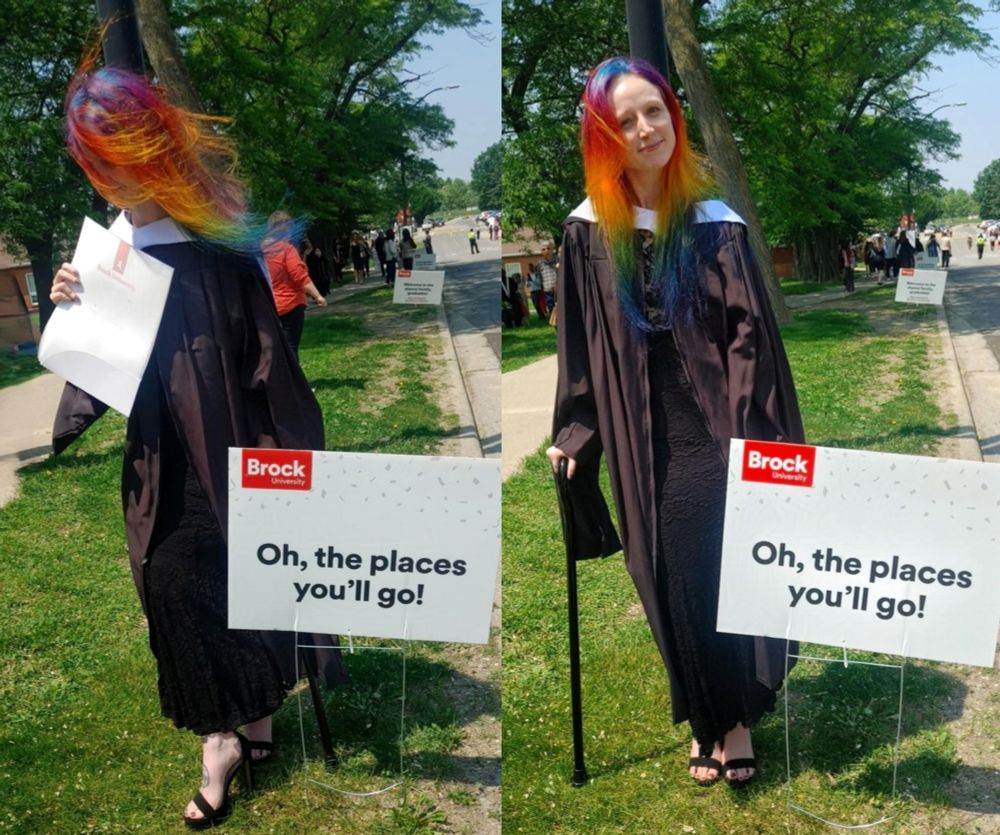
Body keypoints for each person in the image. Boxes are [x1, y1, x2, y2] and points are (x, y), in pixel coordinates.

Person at [53, 60, 345, 828]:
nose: (118, 172)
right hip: (162, 453)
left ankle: (255, 717)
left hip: (237, 442)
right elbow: (97, 377)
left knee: (248, 578)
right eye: (99, 157)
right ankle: (221, 737)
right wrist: (71, 311)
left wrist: (284, 452)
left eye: (127, 149)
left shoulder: (213, 241)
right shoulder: (106, 255)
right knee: (176, 579)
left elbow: (265, 358)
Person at [547, 56, 803, 788]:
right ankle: (709, 714)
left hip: (717, 428)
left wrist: (756, 437)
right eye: (624, 120)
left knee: (711, 565)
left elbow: (751, 337)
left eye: (653, 110)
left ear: (673, 114)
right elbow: (582, 355)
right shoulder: (588, 231)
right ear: (605, 138)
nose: (644, 128)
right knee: (668, 572)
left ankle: (730, 720)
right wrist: (575, 436)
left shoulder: (715, 224)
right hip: (640, 433)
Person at [265, 211, 328, 357]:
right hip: (290, 304)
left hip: (270, 305)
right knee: (291, 348)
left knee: (276, 349)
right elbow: (299, 276)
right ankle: (292, 379)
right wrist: (318, 296)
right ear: (285, 228)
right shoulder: (287, 249)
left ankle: (278, 378)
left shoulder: (261, 250)